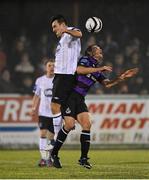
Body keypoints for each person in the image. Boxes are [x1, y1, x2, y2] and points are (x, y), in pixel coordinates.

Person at [50, 44, 139, 169]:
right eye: (98, 51)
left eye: (101, 51)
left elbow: (107, 84)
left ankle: (83, 158)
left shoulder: (97, 70)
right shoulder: (85, 60)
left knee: (87, 124)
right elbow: (80, 70)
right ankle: (54, 153)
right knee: (69, 125)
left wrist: (121, 78)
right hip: (70, 96)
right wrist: (100, 69)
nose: (101, 53)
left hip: (80, 99)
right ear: (91, 53)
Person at [50, 14, 82, 128]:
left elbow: (79, 34)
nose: (53, 30)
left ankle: (56, 137)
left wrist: (66, 31)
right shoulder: (62, 39)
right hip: (62, 76)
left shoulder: (70, 31)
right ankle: (66, 126)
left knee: (54, 106)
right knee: (62, 109)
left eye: (55, 26)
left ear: (62, 24)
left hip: (64, 76)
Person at [31, 59, 62, 167]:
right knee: (42, 134)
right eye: (49, 65)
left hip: (55, 113)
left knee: (52, 138)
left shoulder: (58, 80)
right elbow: (36, 95)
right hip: (43, 112)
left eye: (53, 65)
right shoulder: (40, 80)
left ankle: (49, 158)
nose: (52, 67)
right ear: (45, 68)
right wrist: (33, 107)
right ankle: (43, 159)